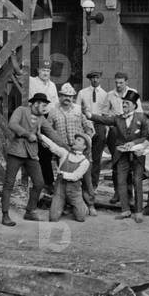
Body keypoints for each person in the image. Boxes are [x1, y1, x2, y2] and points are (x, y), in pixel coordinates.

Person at [87, 90, 149, 222]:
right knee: (121, 181)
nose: (124, 105)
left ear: (134, 105)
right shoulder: (118, 118)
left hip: (137, 154)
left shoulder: (141, 118)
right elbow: (104, 119)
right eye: (123, 103)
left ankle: (138, 211)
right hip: (121, 154)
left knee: (137, 181)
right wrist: (89, 115)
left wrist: (133, 143)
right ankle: (125, 210)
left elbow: (145, 136)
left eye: (127, 103)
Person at [2, 92, 55, 226]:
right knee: (9, 184)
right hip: (16, 152)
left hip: (31, 154)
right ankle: (5, 215)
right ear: (35, 103)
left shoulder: (41, 118)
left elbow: (52, 134)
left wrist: (67, 147)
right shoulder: (21, 110)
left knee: (39, 183)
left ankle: (30, 211)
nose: (44, 108)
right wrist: (27, 134)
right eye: (43, 105)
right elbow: (12, 124)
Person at [49, 83, 96, 215]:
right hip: (64, 152)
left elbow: (89, 127)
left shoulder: (78, 109)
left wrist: (85, 142)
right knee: (64, 180)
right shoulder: (53, 111)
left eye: (70, 96)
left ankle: (90, 204)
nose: (67, 98)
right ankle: (66, 205)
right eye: (64, 95)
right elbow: (49, 130)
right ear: (60, 96)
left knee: (86, 180)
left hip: (81, 150)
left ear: (73, 97)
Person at [103, 72, 143, 203]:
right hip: (115, 132)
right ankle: (117, 193)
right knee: (116, 164)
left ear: (126, 82)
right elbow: (104, 113)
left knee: (131, 164)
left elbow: (139, 112)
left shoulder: (133, 93)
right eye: (116, 82)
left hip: (131, 132)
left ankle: (129, 194)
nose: (118, 85)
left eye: (121, 82)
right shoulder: (110, 95)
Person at [38, 132, 92, 222]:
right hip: (60, 190)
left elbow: (75, 176)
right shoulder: (65, 153)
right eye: (75, 139)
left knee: (81, 217)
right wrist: (42, 136)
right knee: (53, 218)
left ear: (84, 146)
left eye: (79, 140)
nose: (75, 141)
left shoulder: (85, 162)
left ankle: (80, 206)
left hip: (74, 192)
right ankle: (62, 205)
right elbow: (53, 147)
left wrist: (62, 174)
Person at [29, 63, 60, 196]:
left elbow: (55, 104)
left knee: (46, 151)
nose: (45, 73)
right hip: (34, 117)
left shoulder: (52, 85)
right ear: (38, 70)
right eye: (43, 70)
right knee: (34, 151)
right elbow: (19, 73)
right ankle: (36, 183)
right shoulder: (31, 80)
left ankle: (48, 183)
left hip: (48, 119)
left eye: (47, 70)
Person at [76, 70, 109, 189]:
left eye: (97, 77)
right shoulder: (82, 93)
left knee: (97, 156)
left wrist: (105, 128)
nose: (95, 80)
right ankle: (81, 181)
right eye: (93, 78)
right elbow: (77, 109)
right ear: (89, 79)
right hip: (86, 125)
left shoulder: (105, 94)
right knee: (83, 154)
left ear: (100, 78)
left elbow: (106, 113)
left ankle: (93, 184)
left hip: (99, 124)